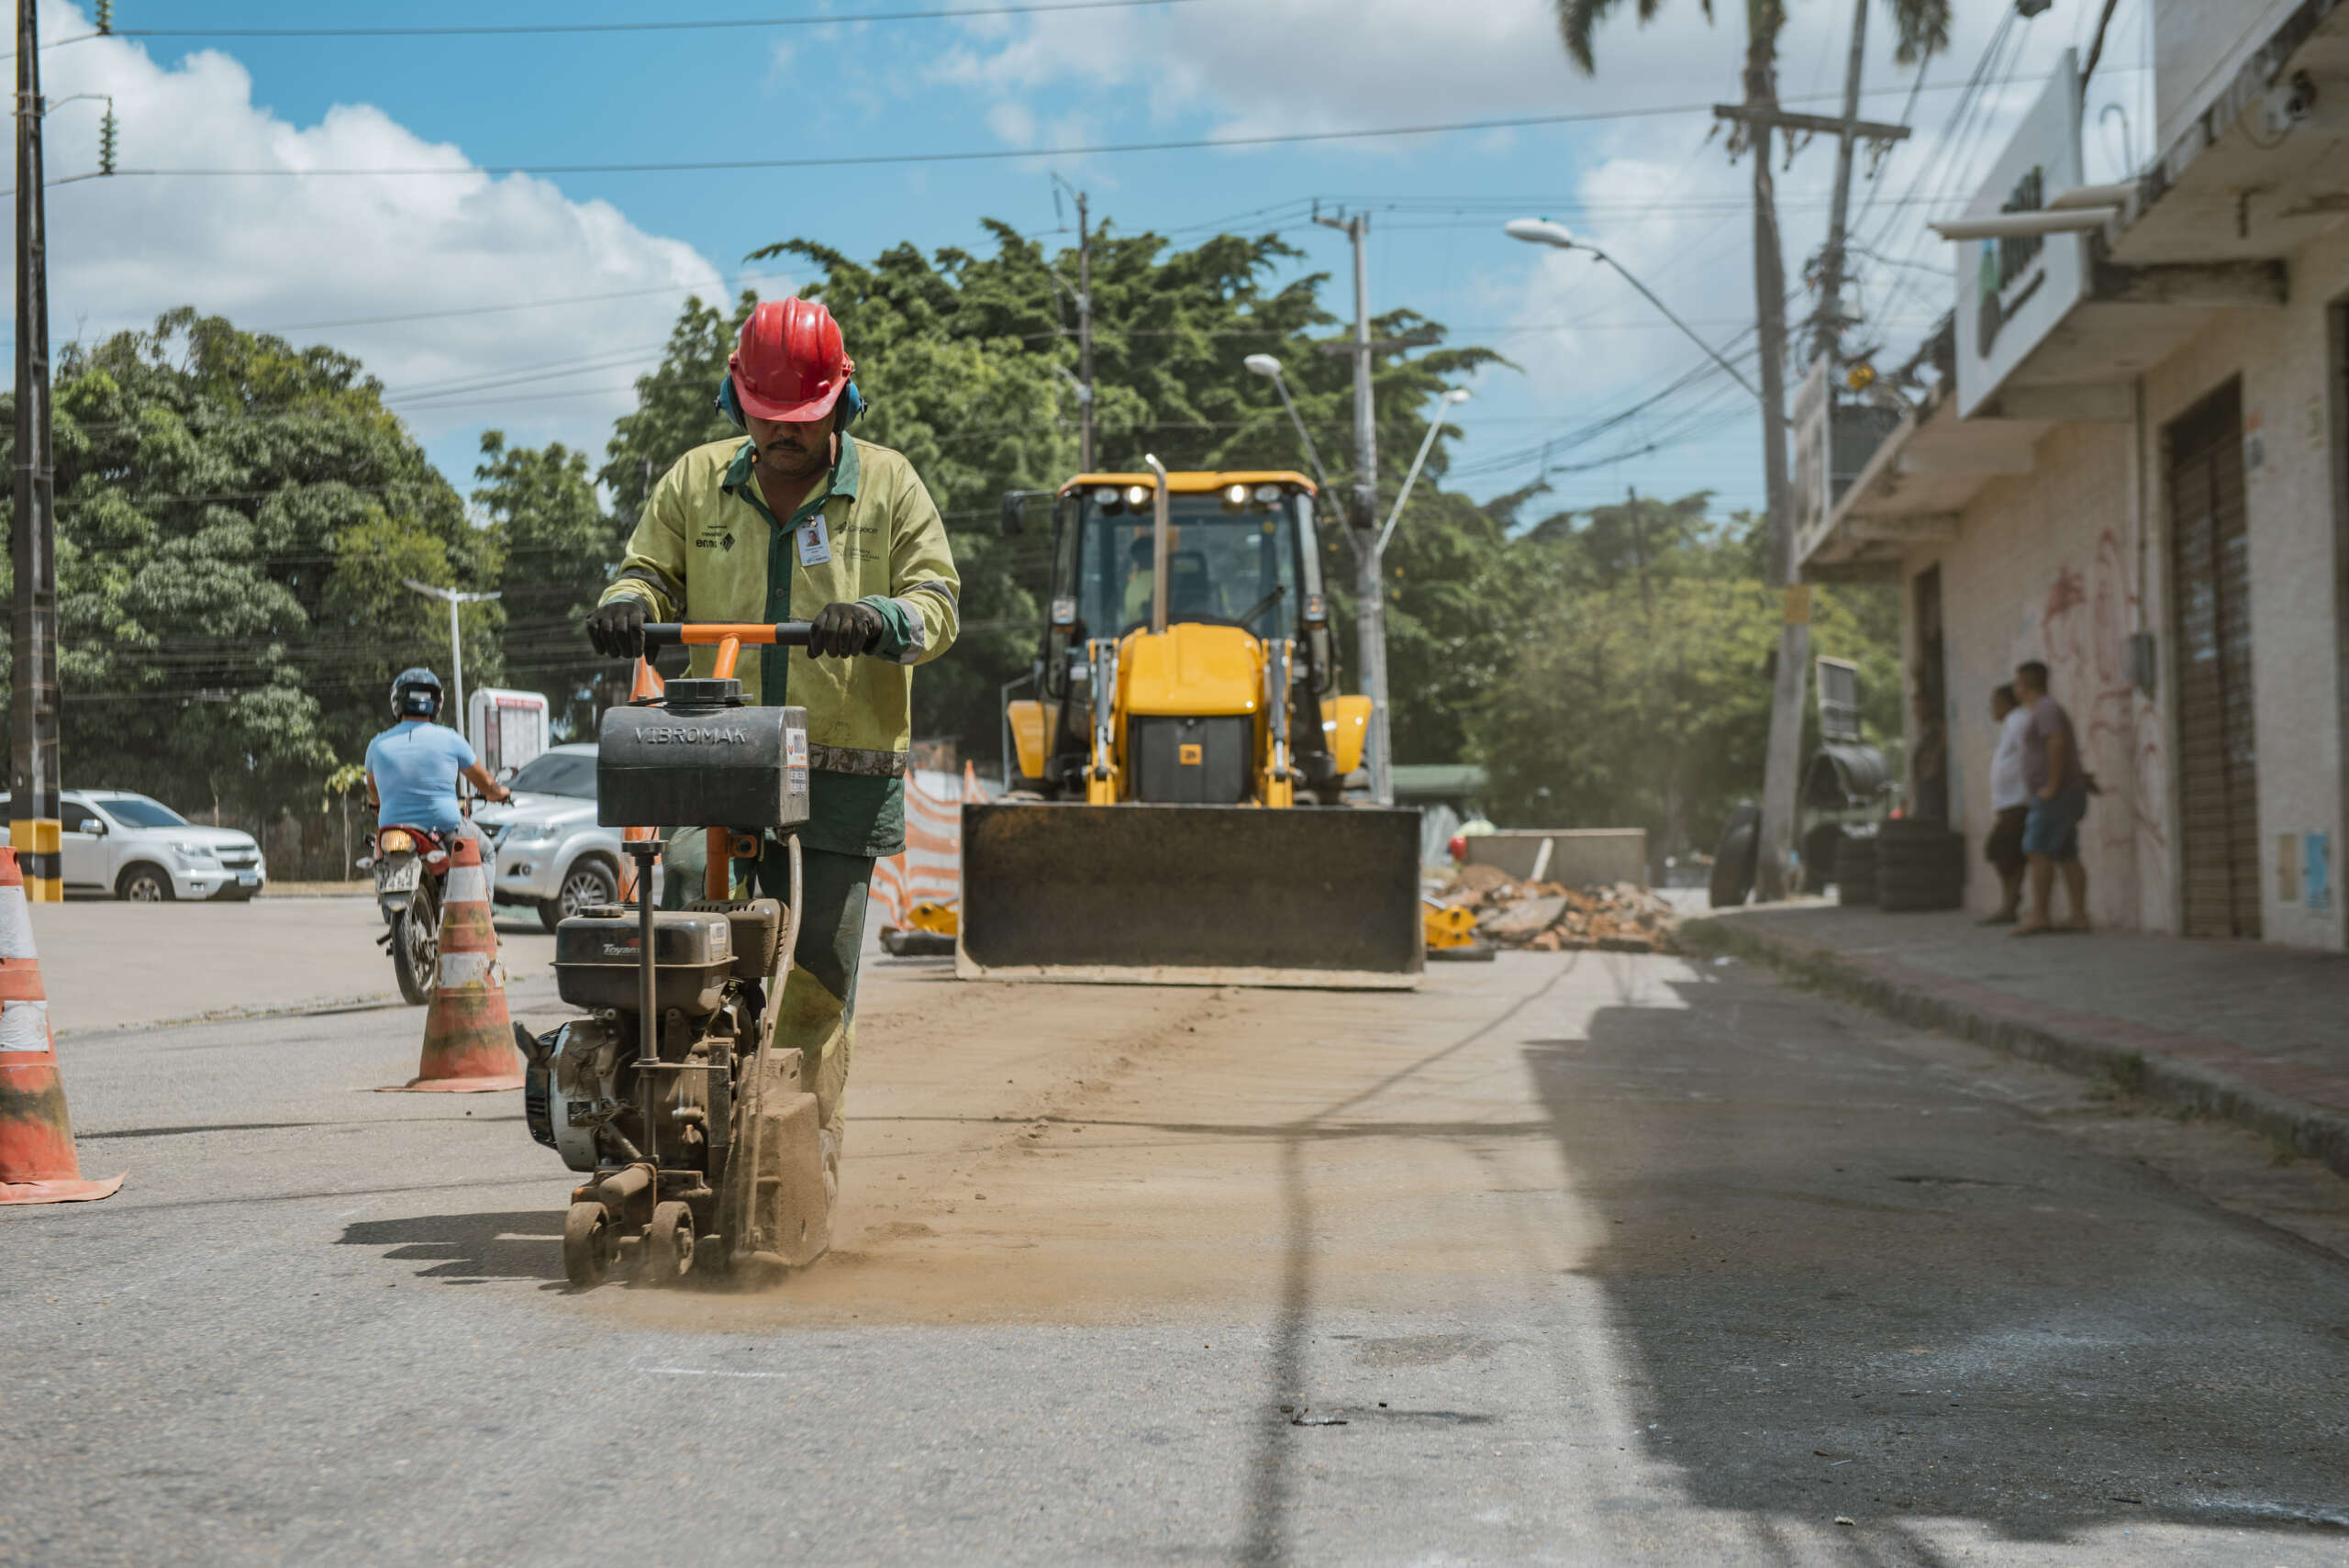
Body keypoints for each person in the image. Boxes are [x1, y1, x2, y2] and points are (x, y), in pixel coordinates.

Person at [585, 296, 959, 1208]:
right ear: (734, 399)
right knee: (680, 960)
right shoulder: (693, 482)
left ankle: (800, 1147)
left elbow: (938, 603)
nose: (783, 437)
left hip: (843, 767)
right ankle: (672, 1123)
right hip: (714, 757)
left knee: (816, 980)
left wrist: (879, 616)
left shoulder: (891, 485)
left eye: (801, 421)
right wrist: (628, 600)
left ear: (842, 400)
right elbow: (642, 569)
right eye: (766, 419)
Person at [364, 668, 511, 875]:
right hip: (444, 829)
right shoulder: (451, 739)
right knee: (486, 853)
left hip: (392, 829)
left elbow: (374, 794)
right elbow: (486, 784)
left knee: (380, 857)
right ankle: (479, 907)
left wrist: (377, 805)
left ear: (397, 701)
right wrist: (499, 793)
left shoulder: (377, 745)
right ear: (436, 702)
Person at [2012, 659, 2088, 935]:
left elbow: (2056, 742)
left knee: (2037, 849)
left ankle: (2040, 915)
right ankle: (2079, 916)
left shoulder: (2045, 709)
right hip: (2065, 792)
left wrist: (2052, 785)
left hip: (2055, 795)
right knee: (2066, 853)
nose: (2015, 689)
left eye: (2017, 683)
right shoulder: (2046, 709)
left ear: (2025, 685)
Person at [1981, 683, 2031, 924]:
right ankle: (2010, 902)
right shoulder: (2012, 723)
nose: (1992, 709)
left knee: (2001, 850)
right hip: (2009, 802)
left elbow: (2032, 753)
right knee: (2005, 853)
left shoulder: (2018, 720)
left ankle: (2010, 903)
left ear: (2005, 703)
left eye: (1994, 703)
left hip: (2019, 800)